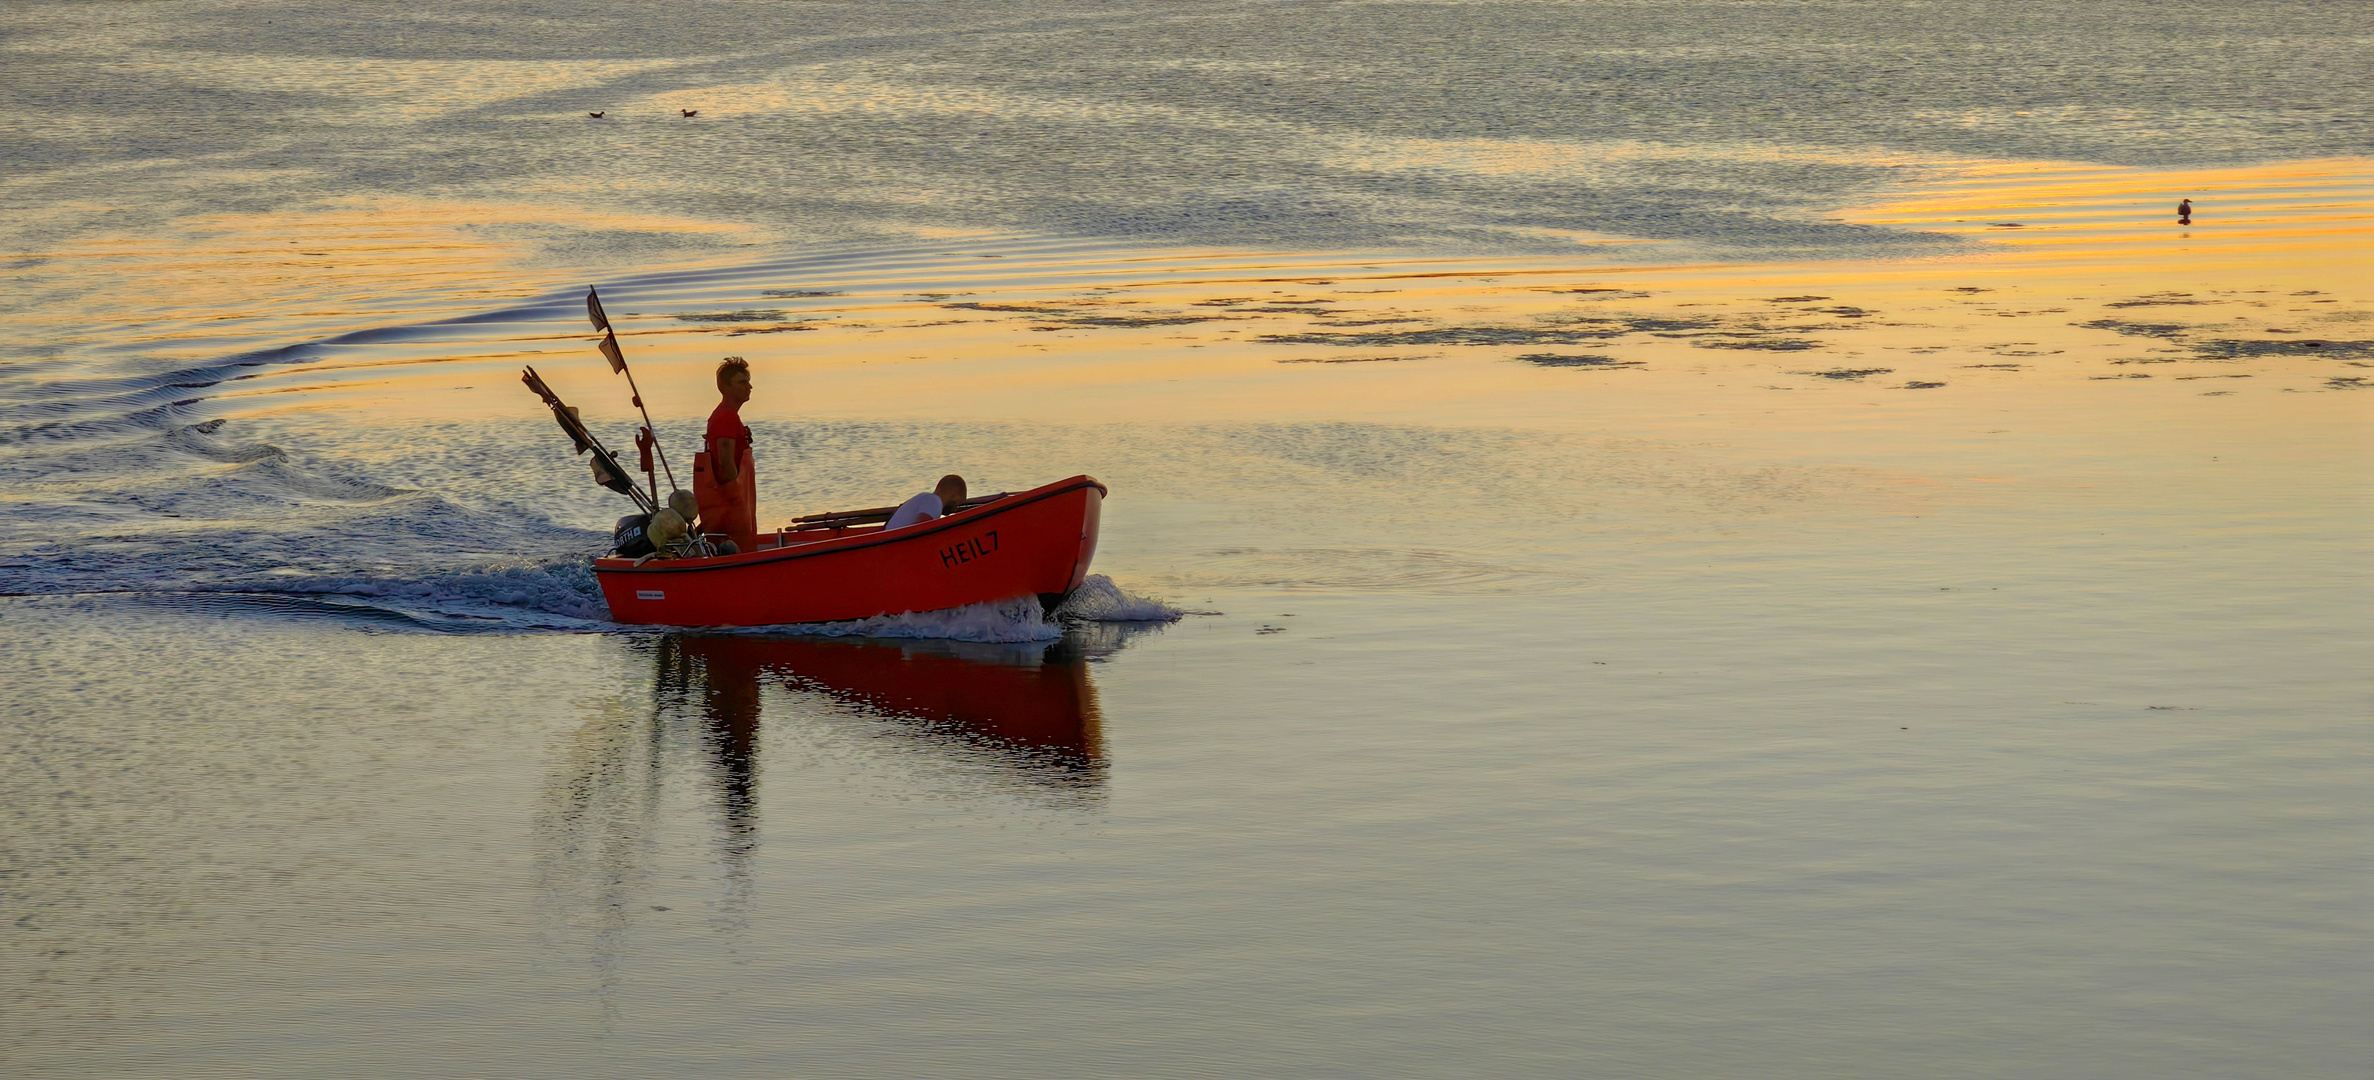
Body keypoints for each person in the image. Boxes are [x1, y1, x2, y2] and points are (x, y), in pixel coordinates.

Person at [693, 357, 759, 553]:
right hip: (730, 504)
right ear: (725, 387)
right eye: (742, 382)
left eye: (748, 381)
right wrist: (736, 497)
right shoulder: (726, 417)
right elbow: (725, 464)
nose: (749, 387)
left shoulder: (728, 417)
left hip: (732, 503)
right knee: (740, 550)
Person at [886, 474, 967, 530]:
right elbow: (922, 529)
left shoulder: (923, 497)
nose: (955, 509)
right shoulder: (935, 502)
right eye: (958, 504)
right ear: (954, 496)